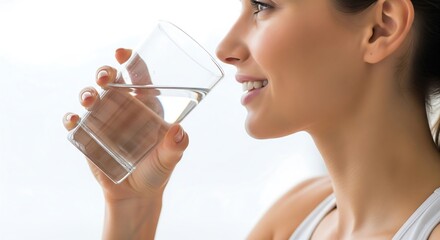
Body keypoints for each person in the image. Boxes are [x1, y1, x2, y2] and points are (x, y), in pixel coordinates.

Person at [63, 0, 440, 238]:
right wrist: (132, 207)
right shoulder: (295, 215)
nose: (225, 49)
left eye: (263, 6)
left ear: (381, 28)